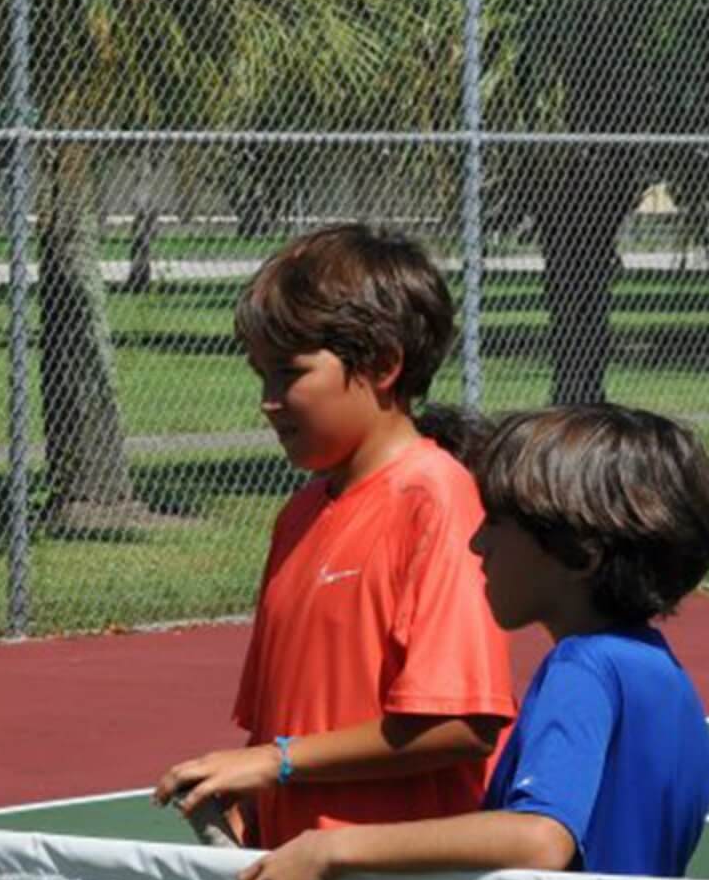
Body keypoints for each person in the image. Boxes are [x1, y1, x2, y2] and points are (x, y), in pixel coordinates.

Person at [237, 405, 709, 880]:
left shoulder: (581, 668)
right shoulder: (667, 677)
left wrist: (333, 848)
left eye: (495, 522)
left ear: (579, 553)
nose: (476, 542)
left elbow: (539, 839)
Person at [152, 225, 517, 848]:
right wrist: (254, 791)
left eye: (289, 374)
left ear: (380, 366)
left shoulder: (437, 497)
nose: (268, 402)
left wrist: (277, 763)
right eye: (260, 376)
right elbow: (281, 726)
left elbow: (461, 721)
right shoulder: (298, 517)